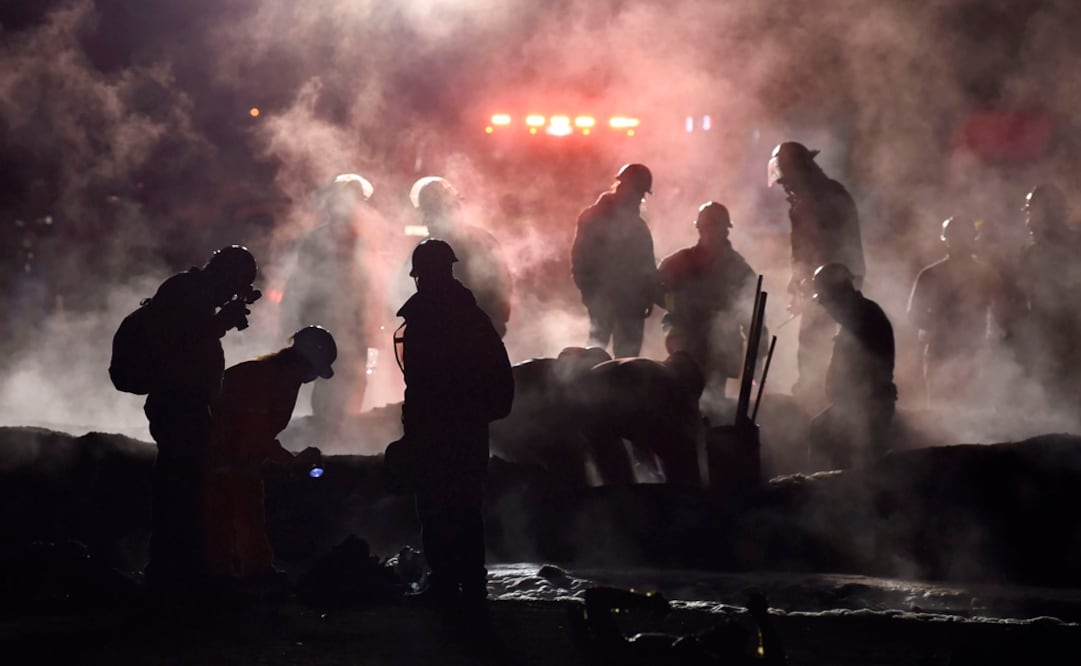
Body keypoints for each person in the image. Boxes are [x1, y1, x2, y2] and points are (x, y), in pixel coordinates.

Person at [395, 238, 514, 606]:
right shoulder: (472, 317)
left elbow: (421, 383)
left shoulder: (425, 318)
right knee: (464, 506)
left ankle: (445, 581)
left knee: (435, 506)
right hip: (467, 429)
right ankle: (470, 582)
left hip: (436, 428)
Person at [140, 245, 260, 597]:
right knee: (180, 490)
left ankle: (179, 571)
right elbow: (182, 343)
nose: (230, 295)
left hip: (185, 402)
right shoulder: (186, 293)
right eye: (234, 286)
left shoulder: (191, 292)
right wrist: (222, 322)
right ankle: (175, 575)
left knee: (185, 489)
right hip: (178, 404)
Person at [204, 326, 335, 583]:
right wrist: (290, 461)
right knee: (224, 517)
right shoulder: (266, 379)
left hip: (234, 458)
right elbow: (253, 433)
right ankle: (225, 580)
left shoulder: (277, 377)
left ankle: (248, 573)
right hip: (219, 458)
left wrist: (289, 459)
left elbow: (257, 435)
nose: (311, 378)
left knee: (244, 510)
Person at [282, 173, 382, 435]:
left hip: (350, 329)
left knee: (352, 385)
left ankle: (337, 439)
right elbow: (300, 284)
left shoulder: (363, 242)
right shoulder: (320, 241)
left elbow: (371, 289)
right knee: (328, 386)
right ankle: (328, 439)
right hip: (325, 326)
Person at [768, 142, 864, 409]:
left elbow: (831, 247)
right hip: (823, 283)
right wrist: (798, 280)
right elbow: (803, 250)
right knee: (815, 339)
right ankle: (816, 394)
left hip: (836, 283)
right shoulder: (809, 200)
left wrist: (817, 283)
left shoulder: (826, 199)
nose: (783, 186)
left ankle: (822, 399)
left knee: (822, 341)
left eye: (786, 178)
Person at [657, 202, 765, 397]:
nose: (710, 233)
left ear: (725, 231)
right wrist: (677, 305)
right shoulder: (680, 262)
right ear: (699, 228)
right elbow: (653, 287)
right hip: (686, 338)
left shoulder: (738, 268)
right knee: (684, 394)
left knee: (713, 400)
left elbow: (753, 314)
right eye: (706, 227)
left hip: (720, 344)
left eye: (715, 227)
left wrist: (757, 356)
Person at [806, 263, 896, 470]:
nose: (827, 309)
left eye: (826, 301)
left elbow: (865, 372)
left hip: (867, 407)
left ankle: (821, 494)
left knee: (829, 440)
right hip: (857, 405)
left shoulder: (864, 319)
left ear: (838, 294)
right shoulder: (859, 315)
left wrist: (846, 400)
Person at [568, 586, 787, 665]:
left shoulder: (616, 653)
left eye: (724, 628)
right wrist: (762, 618)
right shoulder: (705, 653)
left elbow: (595, 597)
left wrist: (648, 603)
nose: (719, 625)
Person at [571, 163, 658, 358]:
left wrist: (648, 294)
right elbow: (580, 259)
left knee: (627, 360)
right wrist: (590, 293)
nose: (639, 198)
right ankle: (590, 387)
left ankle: (619, 387)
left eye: (641, 193)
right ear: (622, 187)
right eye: (637, 192)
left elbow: (646, 264)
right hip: (603, 298)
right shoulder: (593, 218)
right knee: (596, 351)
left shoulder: (638, 226)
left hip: (631, 303)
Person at [907, 217, 995, 407]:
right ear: (945, 239)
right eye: (955, 237)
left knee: (976, 409)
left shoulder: (985, 274)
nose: (961, 241)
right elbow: (914, 314)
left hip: (975, 351)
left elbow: (998, 313)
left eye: (965, 236)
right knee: (942, 408)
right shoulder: (930, 275)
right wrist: (942, 328)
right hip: (940, 352)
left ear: (974, 238)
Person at [410, 176, 513, 338]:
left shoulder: (426, 248)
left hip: (469, 335)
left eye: (431, 210)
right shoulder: (483, 240)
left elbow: (500, 286)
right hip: (471, 335)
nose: (427, 219)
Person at [1012, 184, 1081, 401]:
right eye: (1028, 212)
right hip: (1045, 345)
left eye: (1033, 212)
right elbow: (1021, 302)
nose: (1029, 221)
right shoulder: (1030, 254)